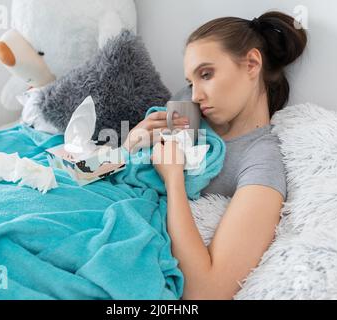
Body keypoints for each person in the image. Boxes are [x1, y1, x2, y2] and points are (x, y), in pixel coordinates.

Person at [123, 11, 307, 299]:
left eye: (206, 74)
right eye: (191, 81)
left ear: (252, 64)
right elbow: (127, 166)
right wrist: (130, 142)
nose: (195, 93)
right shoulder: (189, 107)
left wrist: (173, 180)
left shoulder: (261, 160)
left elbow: (207, 291)